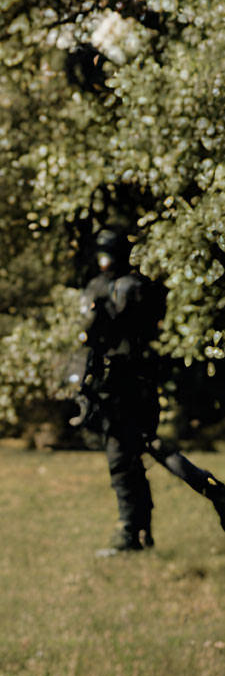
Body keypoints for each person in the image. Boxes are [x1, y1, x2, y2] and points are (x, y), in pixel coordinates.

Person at [74, 227, 225, 553]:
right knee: (148, 450)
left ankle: (131, 535)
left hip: (119, 388)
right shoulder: (142, 287)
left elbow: (94, 335)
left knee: (122, 463)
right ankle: (203, 494)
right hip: (138, 387)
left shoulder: (117, 290)